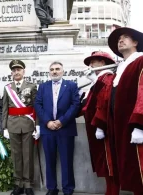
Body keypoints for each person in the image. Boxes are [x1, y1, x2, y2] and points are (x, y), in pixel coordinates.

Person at [105, 27, 143, 195]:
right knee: (129, 168)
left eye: (126, 37)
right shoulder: (120, 69)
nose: (121, 40)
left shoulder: (140, 62)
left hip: (135, 125)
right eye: (119, 38)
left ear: (135, 42)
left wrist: (140, 124)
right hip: (119, 127)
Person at [34, 61, 80, 195]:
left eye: (57, 69)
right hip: (47, 129)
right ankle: (52, 188)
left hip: (65, 129)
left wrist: (62, 121)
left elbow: (75, 105)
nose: (54, 71)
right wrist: (48, 121)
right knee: (49, 160)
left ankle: (68, 189)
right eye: (52, 69)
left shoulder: (71, 85)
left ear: (63, 71)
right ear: (49, 72)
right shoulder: (43, 87)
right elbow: (38, 104)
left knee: (66, 160)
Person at [80, 51, 120, 195]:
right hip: (95, 128)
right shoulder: (96, 80)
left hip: (103, 128)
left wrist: (100, 125)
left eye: (93, 62)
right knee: (103, 162)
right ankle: (109, 190)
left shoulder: (108, 78)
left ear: (102, 63)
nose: (90, 65)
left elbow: (104, 101)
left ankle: (113, 192)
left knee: (109, 162)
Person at [2, 60, 39, 195]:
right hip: (12, 125)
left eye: (19, 69)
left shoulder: (32, 86)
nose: (16, 72)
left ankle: (28, 184)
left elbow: (36, 107)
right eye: (14, 70)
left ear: (24, 71)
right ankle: (18, 184)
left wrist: (37, 126)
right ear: (11, 72)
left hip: (28, 124)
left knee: (28, 155)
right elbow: (5, 108)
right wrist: (4, 127)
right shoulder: (7, 87)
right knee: (16, 155)